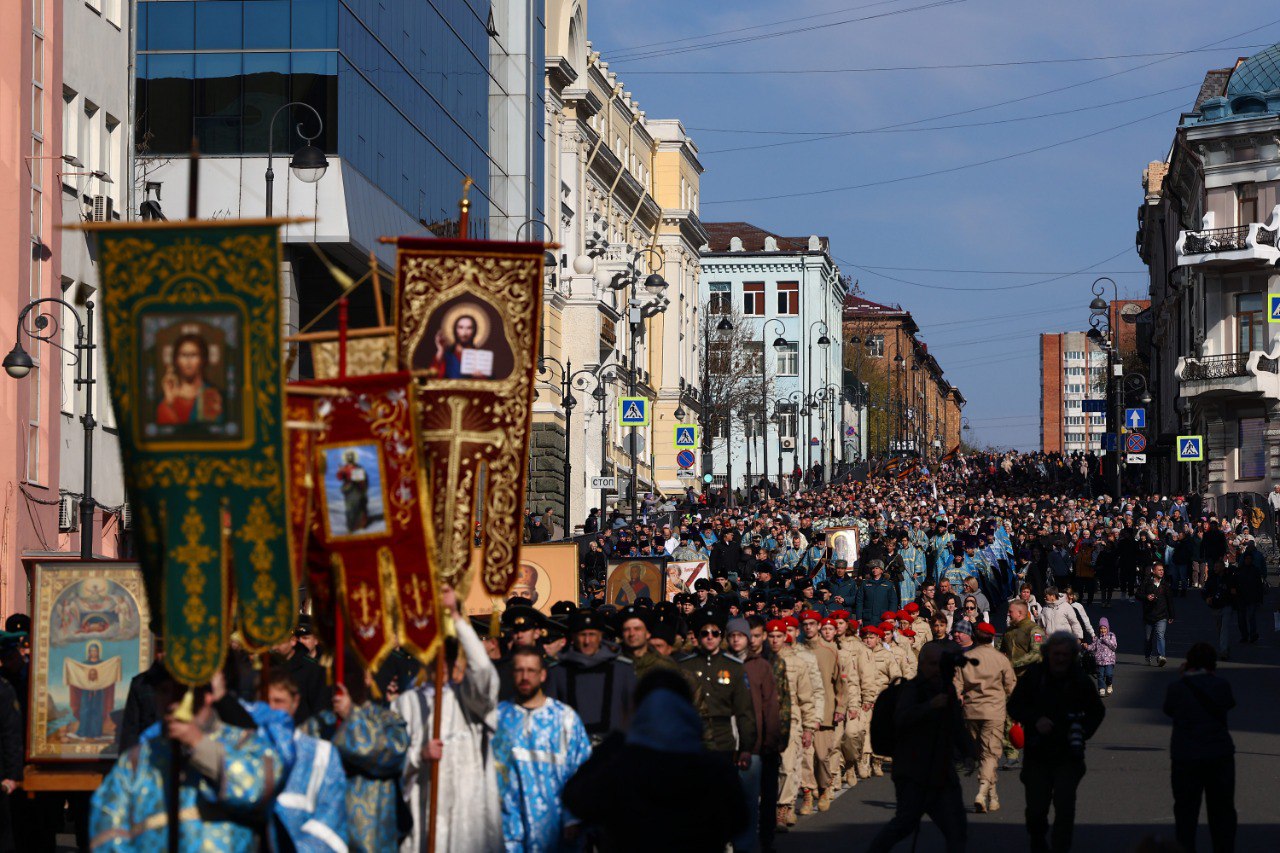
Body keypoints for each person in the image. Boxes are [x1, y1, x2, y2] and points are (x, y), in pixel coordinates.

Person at [562, 670, 747, 852]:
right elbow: (739, 821)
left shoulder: (622, 768)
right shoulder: (714, 770)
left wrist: (619, 735)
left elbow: (576, 798)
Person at [89, 676, 282, 850]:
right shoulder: (136, 760)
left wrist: (198, 744)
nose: (172, 702)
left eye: (183, 690)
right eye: (164, 691)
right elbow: (106, 829)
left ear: (208, 696)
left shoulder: (244, 744)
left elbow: (258, 788)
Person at [394, 584, 500, 853]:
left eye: (450, 658)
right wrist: (419, 754)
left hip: (465, 815)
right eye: (436, 657)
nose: (443, 664)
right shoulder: (405, 704)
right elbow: (393, 759)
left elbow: (485, 672)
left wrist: (455, 617)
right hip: (422, 810)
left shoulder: (470, 700)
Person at [866, 643, 970, 853]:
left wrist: (969, 752)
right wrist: (929, 707)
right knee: (904, 824)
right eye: (932, 664)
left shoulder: (947, 689)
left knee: (956, 830)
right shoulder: (911, 690)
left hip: (941, 773)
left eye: (939, 664)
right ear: (921, 664)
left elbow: (957, 725)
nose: (936, 668)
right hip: (913, 773)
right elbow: (901, 719)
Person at [1007, 632, 1106, 853]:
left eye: (1065, 654)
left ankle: (1061, 847)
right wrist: (1035, 719)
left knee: (1064, 807)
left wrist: (1082, 731)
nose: (1060, 659)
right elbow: (1014, 706)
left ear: (1072, 656)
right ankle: (1038, 841)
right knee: (1036, 809)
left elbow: (1097, 711)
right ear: (1047, 654)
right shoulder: (1034, 676)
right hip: (1038, 754)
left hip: (1068, 755)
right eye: (1056, 654)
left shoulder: (1080, 680)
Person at [493, 646, 592, 852]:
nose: (525, 677)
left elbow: (582, 771)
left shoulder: (565, 718)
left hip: (554, 830)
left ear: (543, 674)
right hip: (509, 829)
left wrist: (572, 819)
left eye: (531, 671)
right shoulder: (498, 717)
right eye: (519, 670)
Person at [263, 673, 349, 852]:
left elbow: (332, 813)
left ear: (295, 702)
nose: (271, 708)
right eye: (266, 700)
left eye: (279, 701)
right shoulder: (244, 749)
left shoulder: (321, 753)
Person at [1163, 642, 1236, 853]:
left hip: (1186, 755)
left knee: (1186, 814)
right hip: (1219, 754)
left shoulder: (1177, 688)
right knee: (1222, 813)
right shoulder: (1221, 685)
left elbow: (1169, 710)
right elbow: (1228, 704)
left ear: (1188, 663)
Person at [726, 616, 782, 852]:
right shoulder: (719, 664)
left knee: (753, 800)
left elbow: (771, 705)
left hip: (755, 745)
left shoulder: (761, 665)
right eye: (732, 635)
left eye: (742, 635)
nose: (737, 640)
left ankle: (751, 844)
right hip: (725, 743)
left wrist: (771, 741)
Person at [546, 609, 637, 744]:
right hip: (572, 750)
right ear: (573, 637)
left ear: (600, 636)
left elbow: (633, 713)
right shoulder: (558, 672)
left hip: (613, 751)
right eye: (582, 635)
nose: (587, 641)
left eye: (592, 634)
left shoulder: (622, 670)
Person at [955, 622, 1016, 814]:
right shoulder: (1000, 659)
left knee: (982, 753)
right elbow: (1011, 686)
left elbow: (956, 686)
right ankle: (982, 791)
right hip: (994, 712)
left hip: (971, 711)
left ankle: (993, 795)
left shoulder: (965, 658)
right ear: (992, 638)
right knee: (991, 753)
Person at [156, 332, 223, 425]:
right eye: (183, 355)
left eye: (194, 355)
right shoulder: (166, 398)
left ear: (203, 359)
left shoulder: (211, 395)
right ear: (176, 360)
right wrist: (169, 402)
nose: (188, 361)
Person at [431, 314, 490, 379]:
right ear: (455, 330)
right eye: (461, 327)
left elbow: (487, 383)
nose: (464, 333)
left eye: (469, 328)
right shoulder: (447, 355)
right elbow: (434, 377)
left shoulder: (480, 357)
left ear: (474, 331)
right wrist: (440, 350)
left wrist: (480, 377)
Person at [1140, 563, 1175, 667]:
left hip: (1161, 616)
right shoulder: (1146, 583)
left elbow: (1170, 601)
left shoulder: (1165, 585)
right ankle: (1147, 656)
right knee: (1148, 639)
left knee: (1160, 635)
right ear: (1153, 571)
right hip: (1149, 616)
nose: (1161, 572)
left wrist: (1171, 615)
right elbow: (1138, 594)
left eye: (1162, 570)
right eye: (1159, 570)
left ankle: (1161, 656)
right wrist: (1146, 597)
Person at [336, 449, 371, 533]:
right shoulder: (344, 467)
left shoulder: (358, 467)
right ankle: (352, 526)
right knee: (350, 508)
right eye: (348, 457)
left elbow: (362, 478)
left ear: (353, 458)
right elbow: (339, 477)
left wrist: (359, 480)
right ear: (346, 458)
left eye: (351, 456)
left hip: (357, 489)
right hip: (349, 490)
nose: (349, 458)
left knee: (359, 506)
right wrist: (341, 471)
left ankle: (361, 524)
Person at [1088, 618, 1118, 697]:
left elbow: (1114, 646)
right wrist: (1087, 646)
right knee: (1100, 675)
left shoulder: (1111, 636)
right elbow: (1093, 647)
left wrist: (1105, 639)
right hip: (1099, 660)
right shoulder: (1097, 637)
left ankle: (1109, 684)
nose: (1103, 630)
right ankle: (1101, 688)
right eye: (1101, 628)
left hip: (1109, 660)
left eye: (1104, 628)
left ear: (1107, 628)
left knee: (1109, 674)